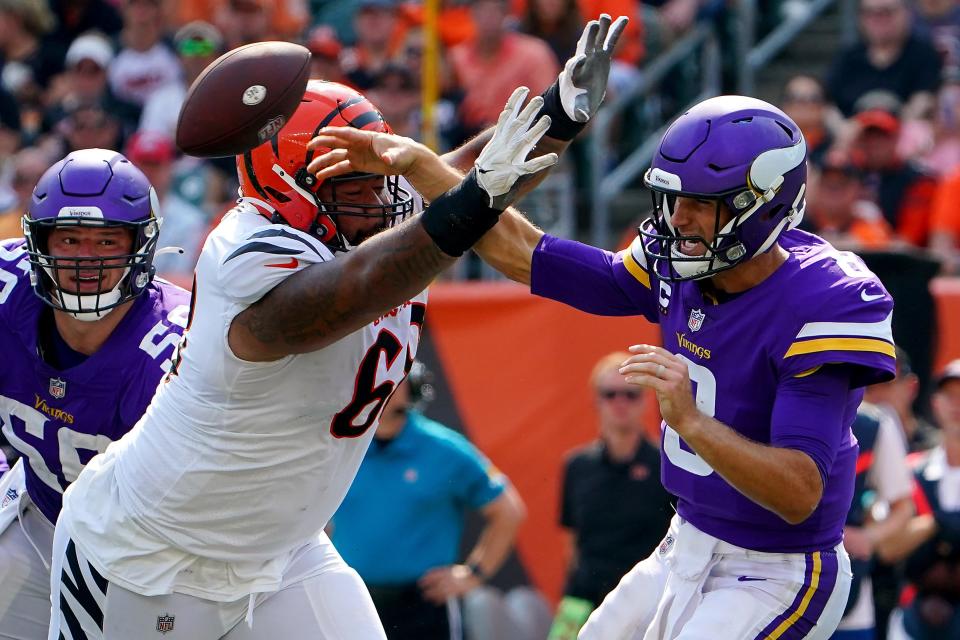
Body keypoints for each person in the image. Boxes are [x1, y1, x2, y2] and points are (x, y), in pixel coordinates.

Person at [311, 89, 899, 636]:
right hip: (686, 542)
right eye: (672, 200)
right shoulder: (682, 261)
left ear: (763, 205)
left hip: (778, 570)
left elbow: (800, 494)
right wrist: (422, 166)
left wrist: (692, 422)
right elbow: (526, 256)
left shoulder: (826, 299)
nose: (679, 222)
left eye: (701, 204)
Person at [45, 77, 564, 638]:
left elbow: (471, 176)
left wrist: (563, 111)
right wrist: (473, 198)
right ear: (291, 187)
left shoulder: (364, 210)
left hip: (281, 553)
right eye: (356, 185)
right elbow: (359, 287)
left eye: (379, 180)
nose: (381, 200)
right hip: (148, 553)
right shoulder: (243, 255)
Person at [0, 148, 190, 639]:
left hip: (149, 553)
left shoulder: (174, 346)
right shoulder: (6, 293)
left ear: (141, 245)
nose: (87, 260)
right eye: (69, 239)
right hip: (38, 512)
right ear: (38, 243)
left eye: (107, 241)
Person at [331, 363, 526, 640]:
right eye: (371, 381)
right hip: (354, 602)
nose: (379, 389)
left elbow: (508, 511)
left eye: (391, 380)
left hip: (424, 607)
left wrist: (472, 575)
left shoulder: (444, 449)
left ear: (412, 387)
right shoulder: (341, 446)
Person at [549, 351, 674, 640]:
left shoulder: (667, 464)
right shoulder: (576, 465)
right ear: (596, 399)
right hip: (580, 602)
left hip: (645, 604)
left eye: (630, 394)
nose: (620, 402)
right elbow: (571, 543)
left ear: (645, 400)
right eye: (610, 393)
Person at [880, 360, 960, 639]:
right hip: (914, 615)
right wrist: (936, 523)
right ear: (935, 403)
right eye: (950, 396)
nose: (957, 406)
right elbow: (887, 547)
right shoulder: (909, 470)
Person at [833, 403, 914, 639]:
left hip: (848, 587)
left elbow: (903, 506)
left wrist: (868, 537)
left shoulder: (873, 423)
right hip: (771, 580)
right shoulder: (767, 404)